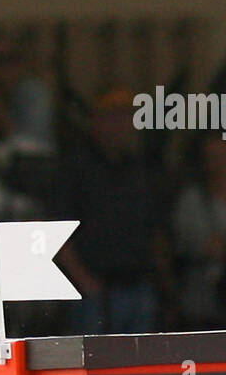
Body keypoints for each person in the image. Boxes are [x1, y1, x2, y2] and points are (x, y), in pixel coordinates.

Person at [54, 84, 173, 335]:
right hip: (95, 291)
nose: (121, 124)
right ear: (97, 119)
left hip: (140, 287)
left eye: (128, 116)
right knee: (94, 367)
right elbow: (56, 231)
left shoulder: (140, 169)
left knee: (141, 367)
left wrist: (164, 285)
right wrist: (84, 281)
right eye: (114, 115)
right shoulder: (76, 168)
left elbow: (155, 229)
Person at [171, 135, 226, 330]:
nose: (220, 164)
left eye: (224, 156)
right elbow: (189, 244)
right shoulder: (193, 200)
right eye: (212, 157)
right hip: (203, 302)